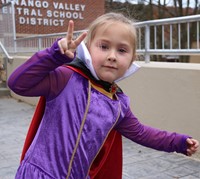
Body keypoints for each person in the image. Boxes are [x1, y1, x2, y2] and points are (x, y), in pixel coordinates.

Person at [8, 12, 199, 179]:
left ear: (132, 59)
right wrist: (54, 55)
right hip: (39, 174)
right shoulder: (66, 78)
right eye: (104, 46)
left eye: (122, 50)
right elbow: (18, 83)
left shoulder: (118, 104)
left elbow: (142, 133)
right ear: (88, 48)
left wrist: (178, 142)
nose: (112, 56)